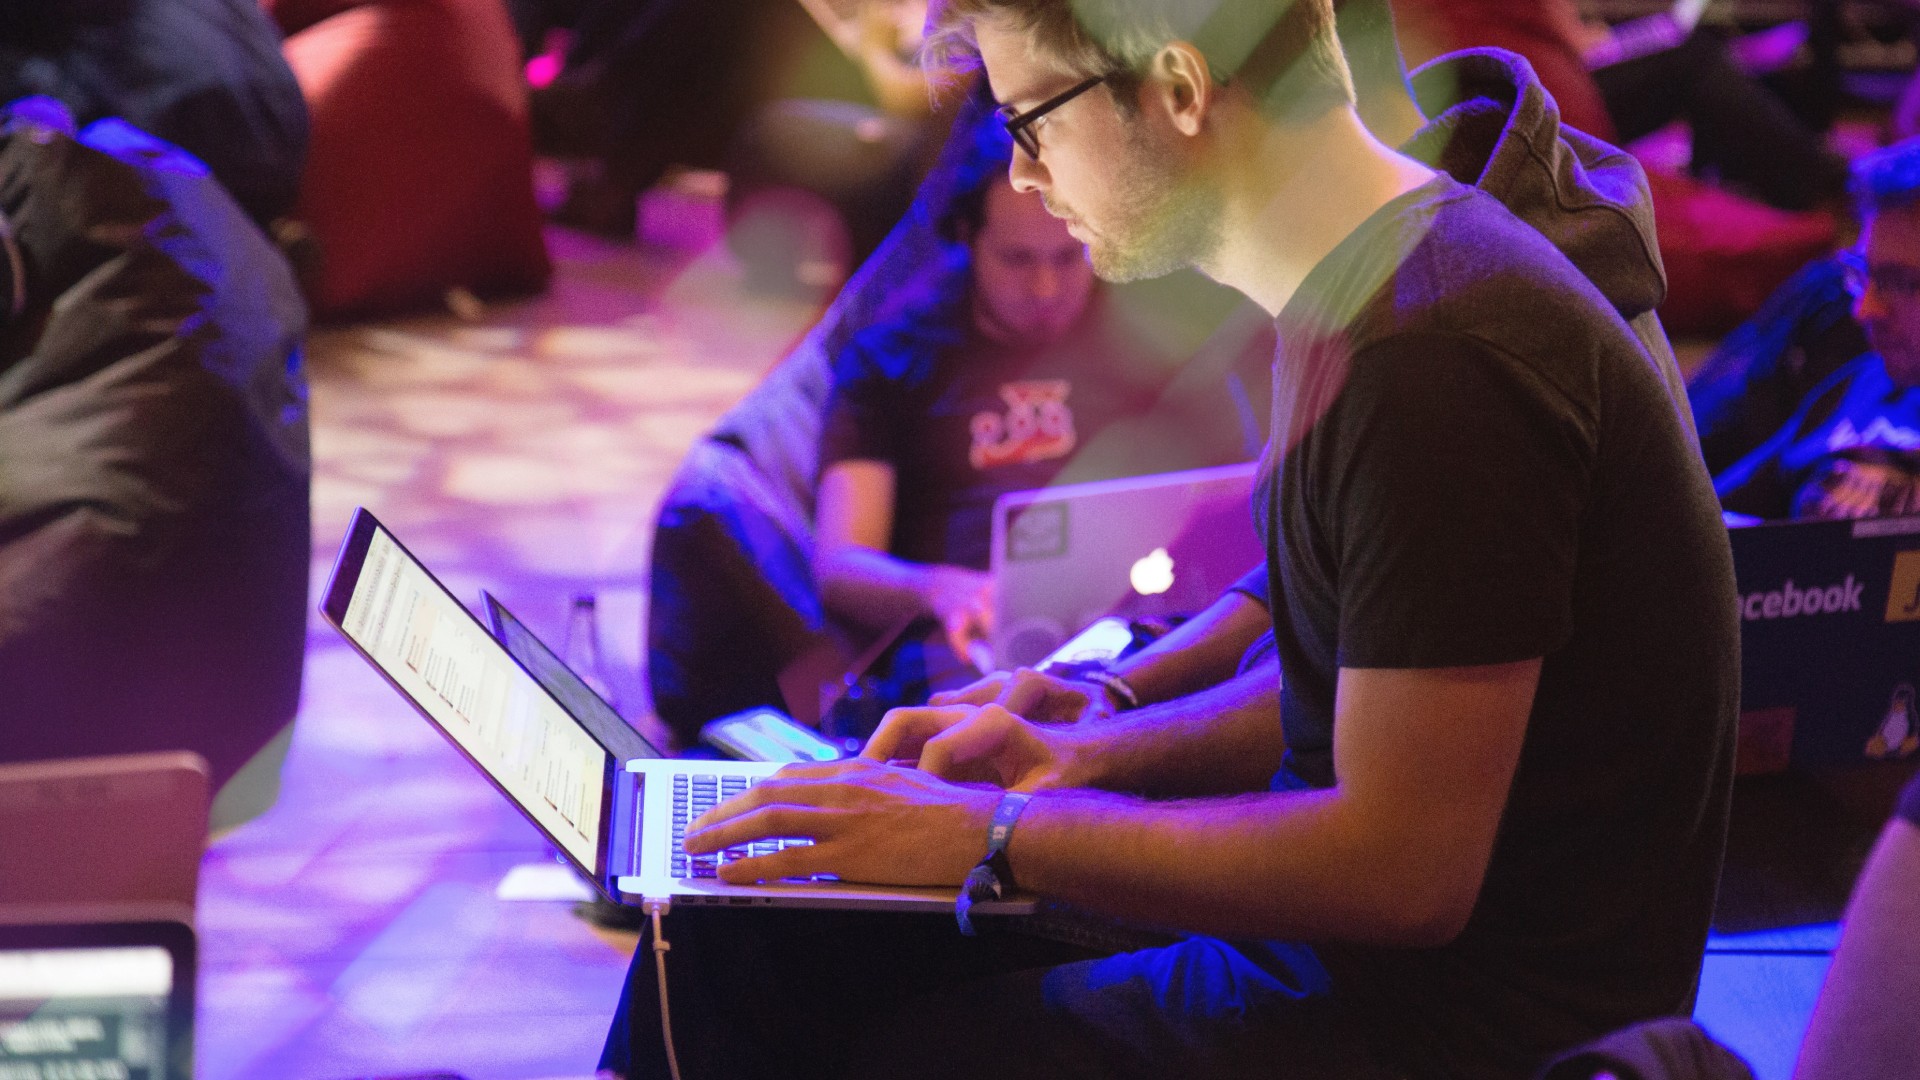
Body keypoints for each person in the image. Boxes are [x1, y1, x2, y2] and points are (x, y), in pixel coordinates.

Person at [604, 3, 1738, 1078]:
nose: (1022, 173)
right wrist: (1093, 732)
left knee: (880, 1038)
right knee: (745, 928)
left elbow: (1404, 871)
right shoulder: (1361, 285)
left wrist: (996, 832)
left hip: (1450, 1030)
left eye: (1031, 120)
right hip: (1354, 972)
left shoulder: (1434, 349)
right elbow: (1340, 667)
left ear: (1181, 86)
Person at [813, 110, 1256, 708]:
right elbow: (841, 565)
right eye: (1018, 261)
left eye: (1068, 259)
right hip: (971, 651)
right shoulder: (891, 358)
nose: (1046, 290)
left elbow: (1244, 500)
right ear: (967, 237)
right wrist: (941, 590)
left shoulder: (1157, 337)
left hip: (1148, 628)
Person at [1716, 139, 1920, 522]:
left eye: (1901, 282)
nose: (1865, 310)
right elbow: (1707, 525)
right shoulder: (1862, 386)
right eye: (1863, 275)